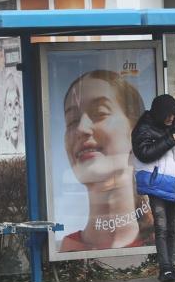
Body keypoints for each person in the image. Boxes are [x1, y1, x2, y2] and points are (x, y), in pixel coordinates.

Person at [59, 70, 154, 252]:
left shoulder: (159, 240)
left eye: (100, 113)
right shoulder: (68, 249)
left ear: (134, 129)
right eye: (72, 121)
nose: (81, 128)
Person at [131, 94, 175, 282]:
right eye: (167, 115)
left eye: (174, 115)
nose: (171, 118)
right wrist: (169, 139)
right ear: (159, 113)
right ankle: (165, 269)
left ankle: (171, 267)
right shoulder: (144, 127)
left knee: (172, 228)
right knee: (161, 226)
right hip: (157, 184)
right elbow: (144, 153)